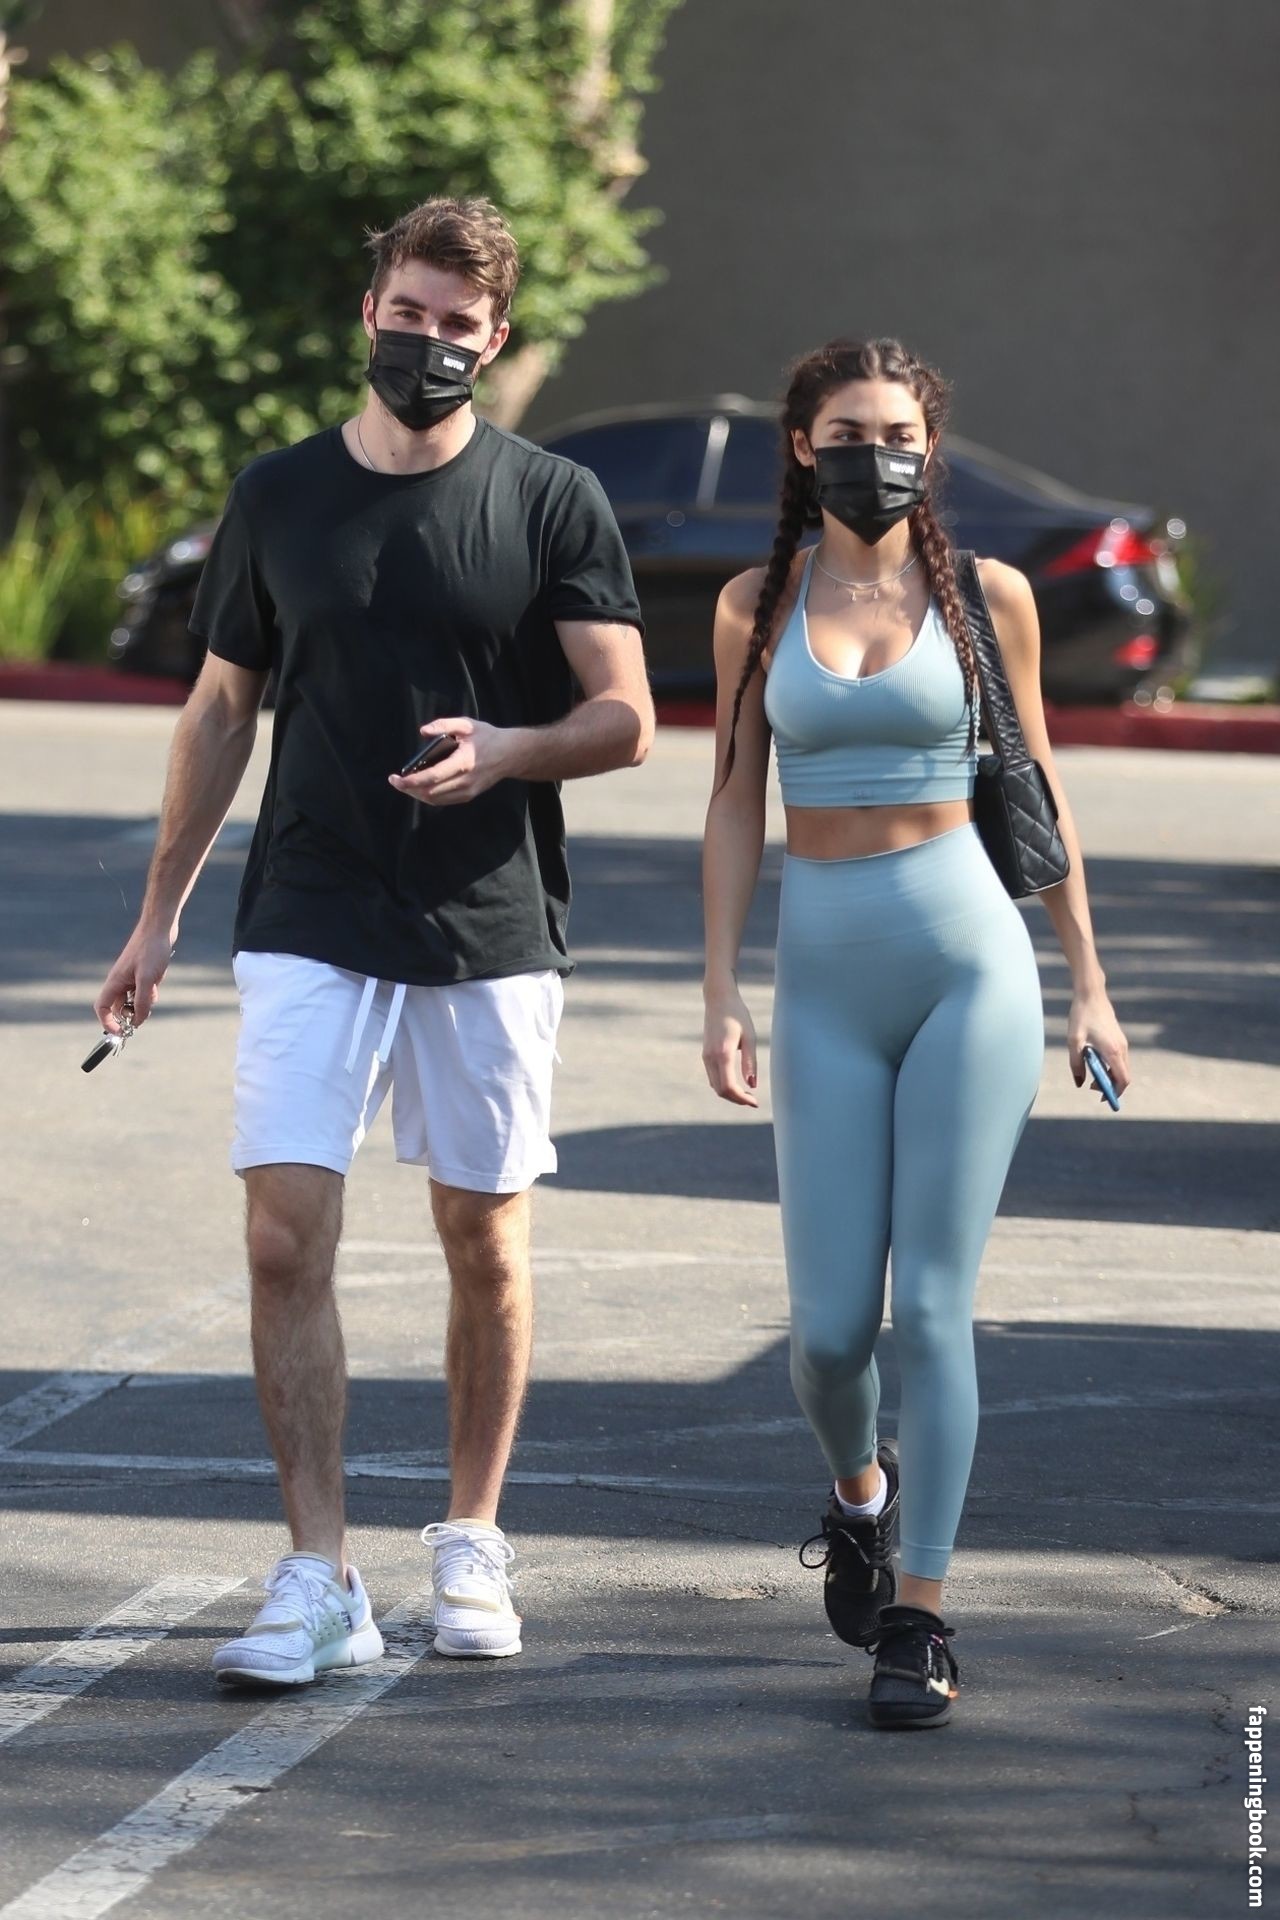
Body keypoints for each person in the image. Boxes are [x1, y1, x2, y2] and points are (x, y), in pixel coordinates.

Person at [94, 196, 653, 1686]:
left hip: (489, 914)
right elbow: (221, 710)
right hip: (312, 904)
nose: (427, 343)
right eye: (407, 315)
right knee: (283, 1234)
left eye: (457, 325)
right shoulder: (280, 495)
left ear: (496, 338)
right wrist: (158, 915)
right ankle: (317, 1573)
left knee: (485, 1239)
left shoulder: (549, 499)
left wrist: (511, 750)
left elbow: (626, 718)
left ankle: (471, 1536)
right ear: (370, 315)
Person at [701, 337, 1129, 1729]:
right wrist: (719, 987)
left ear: (929, 448)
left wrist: (1089, 980)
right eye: (845, 433)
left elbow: (1039, 780)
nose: (872, 455)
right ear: (800, 446)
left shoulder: (987, 595)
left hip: (969, 964)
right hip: (824, 978)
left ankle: (921, 1618)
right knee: (829, 1338)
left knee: (934, 1308)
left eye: (896, 434)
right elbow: (732, 797)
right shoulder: (756, 603)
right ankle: (860, 1497)